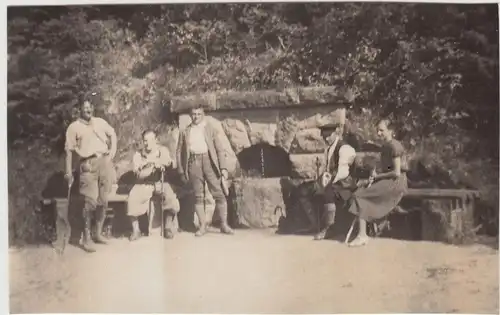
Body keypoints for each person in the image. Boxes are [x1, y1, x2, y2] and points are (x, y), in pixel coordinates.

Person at [64, 97, 117, 253]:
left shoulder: (100, 122)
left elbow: (112, 134)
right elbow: (69, 151)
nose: (88, 110)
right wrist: (68, 171)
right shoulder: (74, 128)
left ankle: (98, 233)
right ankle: (86, 237)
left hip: (104, 163)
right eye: (85, 107)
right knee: (90, 203)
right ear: (79, 109)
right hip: (87, 164)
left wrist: (112, 153)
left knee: (103, 201)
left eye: (90, 107)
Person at [346, 118, 408, 247]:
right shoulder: (385, 146)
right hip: (388, 180)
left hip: (395, 183)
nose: (378, 133)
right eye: (378, 130)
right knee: (360, 191)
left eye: (382, 130)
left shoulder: (394, 146)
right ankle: (368, 230)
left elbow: (396, 172)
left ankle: (362, 235)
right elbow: (384, 166)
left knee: (360, 195)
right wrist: (374, 174)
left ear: (391, 131)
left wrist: (378, 176)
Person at [176, 105, 234, 237]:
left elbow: (219, 149)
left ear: (203, 115)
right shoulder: (185, 131)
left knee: (219, 193)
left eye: (198, 114)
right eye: (193, 114)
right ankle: (202, 226)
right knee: (198, 195)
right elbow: (179, 151)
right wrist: (180, 169)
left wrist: (223, 168)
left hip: (209, 162)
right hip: (193, 163)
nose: (196, 117)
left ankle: (224, 224)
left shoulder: (210, 129)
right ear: (190, 115)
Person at [300, 122, 358, 240]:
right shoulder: (328, 148)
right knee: (303, 190)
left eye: (328, 136)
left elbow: (343, 171)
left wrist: (329, 181)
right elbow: (327, 169)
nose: (326, 138)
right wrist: (322, 179)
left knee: (328, 193)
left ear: (335, 133)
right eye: (324, 136)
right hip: (331, 181)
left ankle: (329, 228)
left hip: (345, 184)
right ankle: (314, 223)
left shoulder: (344, 148)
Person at [127, 129, 180, 241]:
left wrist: (164, 164)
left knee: (171, 199)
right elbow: (139, 175)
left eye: (150, 140)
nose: (147, 143)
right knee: (132, 198)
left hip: (161, 182)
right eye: (145, 141)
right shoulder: (138, 154)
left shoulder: (163, 150)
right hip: (144, 183)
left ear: (156, 140)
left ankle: (167, 227)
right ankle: (136, 230)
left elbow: (170, 164)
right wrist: (152, 168)